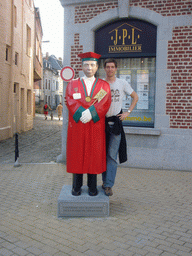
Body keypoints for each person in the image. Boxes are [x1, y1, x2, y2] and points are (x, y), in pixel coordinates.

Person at [65, 52, 111, 196]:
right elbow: (70, 99)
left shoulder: (104, 86)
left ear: (97, 67)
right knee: (77, 155)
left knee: (93, 155)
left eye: (92, 65)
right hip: (78, 126)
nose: (89, 68)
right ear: (82, 66)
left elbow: (105, 102)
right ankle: (76, 187)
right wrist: (80, 113)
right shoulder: (73, 84)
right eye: (86, 65)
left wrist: (91, 113)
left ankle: (92, 187)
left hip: (94, 126)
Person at [102, 58, 139, 196]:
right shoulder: (101, 83)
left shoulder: (122, 83)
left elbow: (135, 97)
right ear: (104, 69)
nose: (110, 69)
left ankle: (108, 185)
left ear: (116, 69)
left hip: (116, 123)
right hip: (102, 124)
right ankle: (104, 182)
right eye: (108, 67)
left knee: (112, 155)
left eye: (112, 67)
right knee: (102, 155)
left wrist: (128, 112)